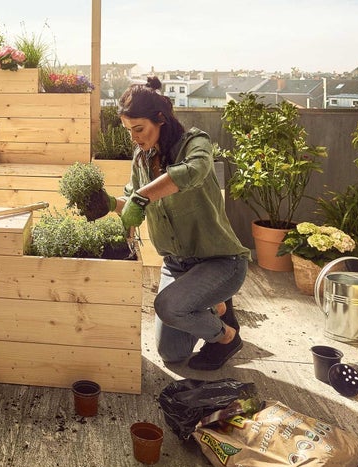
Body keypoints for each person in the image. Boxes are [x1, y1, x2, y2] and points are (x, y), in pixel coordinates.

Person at [96, 76, 251, 370]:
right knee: (172, 354)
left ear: (161, 119)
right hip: (176, 265)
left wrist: (141, 196)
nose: (135, 138)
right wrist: (107, 203)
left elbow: (195, 171)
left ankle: (227, 336)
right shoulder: (140, 160)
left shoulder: (195, 143)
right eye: (129, 131)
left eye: (139, 129)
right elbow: (131, 202)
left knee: (167, 306)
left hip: (220, 262)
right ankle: (215, 305)